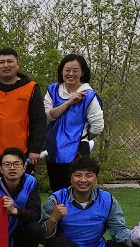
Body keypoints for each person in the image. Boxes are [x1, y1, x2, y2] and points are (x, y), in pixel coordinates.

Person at [41, 156, 140, 247]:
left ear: (96, 179)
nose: (83, 180)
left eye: (88, 175)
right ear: (71, 178)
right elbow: (42, 236)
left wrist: (138, 235)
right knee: (54, 246)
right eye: (78, 175)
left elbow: (119, 230)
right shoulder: (57, 199)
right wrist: (53, 219)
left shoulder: (107, 199)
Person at [0, 48, 48, 182]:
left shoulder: (31, 87)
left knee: (21, 190)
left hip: (21, 152)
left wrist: (35, 148)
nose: (6, 65)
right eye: (1, 62)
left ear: (18, 64)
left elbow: (39, 120)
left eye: (10, 61)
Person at [44, 54, 104, 193]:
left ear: (82, 72)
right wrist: (69, 102)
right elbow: (48, 116)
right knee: (57, 191)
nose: (71, 74)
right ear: (61, 71)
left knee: (78, 190)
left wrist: (82, 138)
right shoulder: (52, 90)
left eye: (75, 70)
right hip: (53, 149)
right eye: (67, 70)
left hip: (77, 151)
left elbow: (97, 126)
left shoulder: (88, 95)